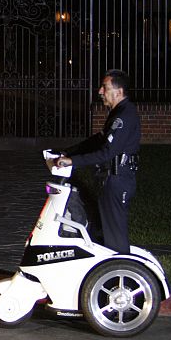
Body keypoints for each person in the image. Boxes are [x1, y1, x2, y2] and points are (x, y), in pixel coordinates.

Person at [55, 69, 140, 254]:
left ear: (119, 92)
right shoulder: (117, 113)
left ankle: (119, 275)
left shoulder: (124, 115)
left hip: (119, 179)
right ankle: (106, 274)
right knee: (103, 232)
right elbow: (98, 140)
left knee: (116, 238)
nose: (100, 91)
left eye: (105, 87)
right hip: (111, 178)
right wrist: (67, 152)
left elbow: (107, 152)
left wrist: (72, 161)